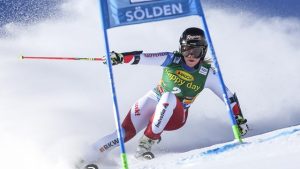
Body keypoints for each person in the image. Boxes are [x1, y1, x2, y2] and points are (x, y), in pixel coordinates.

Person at [77, 27, 248, 169]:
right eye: (186, 49)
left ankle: (146, 144)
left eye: (195, 51)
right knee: (123, 133)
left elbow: (229, 98)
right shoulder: (171, 59)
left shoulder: (207, 74)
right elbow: (142, 58)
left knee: (169, 97)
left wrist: (239, 120)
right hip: (154, 98)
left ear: (203, 51)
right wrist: (120, 57)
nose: (190, 55)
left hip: (176, 116)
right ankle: (87, 157)